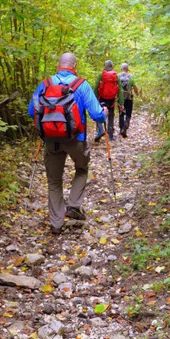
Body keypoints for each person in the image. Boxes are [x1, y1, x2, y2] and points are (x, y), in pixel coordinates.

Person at [29, 53, 106, 234]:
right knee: (82, 169)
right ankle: (73, 205)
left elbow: (31, 111)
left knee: (54, 181)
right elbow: (96, 114)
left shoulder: (45, 84)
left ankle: (56, 224)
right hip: (76, 140)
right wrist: (104, 114)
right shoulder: (82, 85)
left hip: (51, 141)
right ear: (74, 66)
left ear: (58, 65)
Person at [94, 60, 124, 141]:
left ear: (105, 66)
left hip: (102, 98)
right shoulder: (116, 76)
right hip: (111, 99)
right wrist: (121, 103)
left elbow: (96, 86)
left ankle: (100, 131)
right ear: (112, 66)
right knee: (111, 116)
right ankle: (110, 134)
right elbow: (120, 90)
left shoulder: (101, 75)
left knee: (100, 114)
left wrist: (95, 99)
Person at [118, 63, 140, 137]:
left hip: (120, 98)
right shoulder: (131, 76)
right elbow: (135, 86)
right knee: (128, 114)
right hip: (129, 98)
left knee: (121, 113)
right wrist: (137, 93)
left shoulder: (118, 76)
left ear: (121, 69)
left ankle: (121, 129)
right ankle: (125, 127)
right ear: (127, 69)